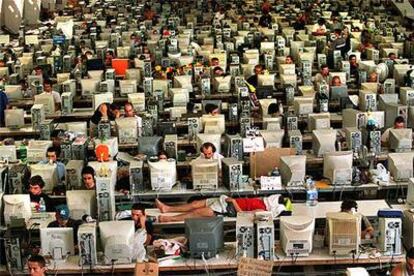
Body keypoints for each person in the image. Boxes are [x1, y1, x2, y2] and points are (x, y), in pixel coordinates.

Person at [156, 194, 291, 222]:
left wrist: (233, 202)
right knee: (195, 203)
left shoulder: (263, 211)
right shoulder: (262, 201)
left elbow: (243, 215)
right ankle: (167, 209)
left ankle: (169, 219)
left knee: (196, 212)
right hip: (225, 201)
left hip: (226, 209)